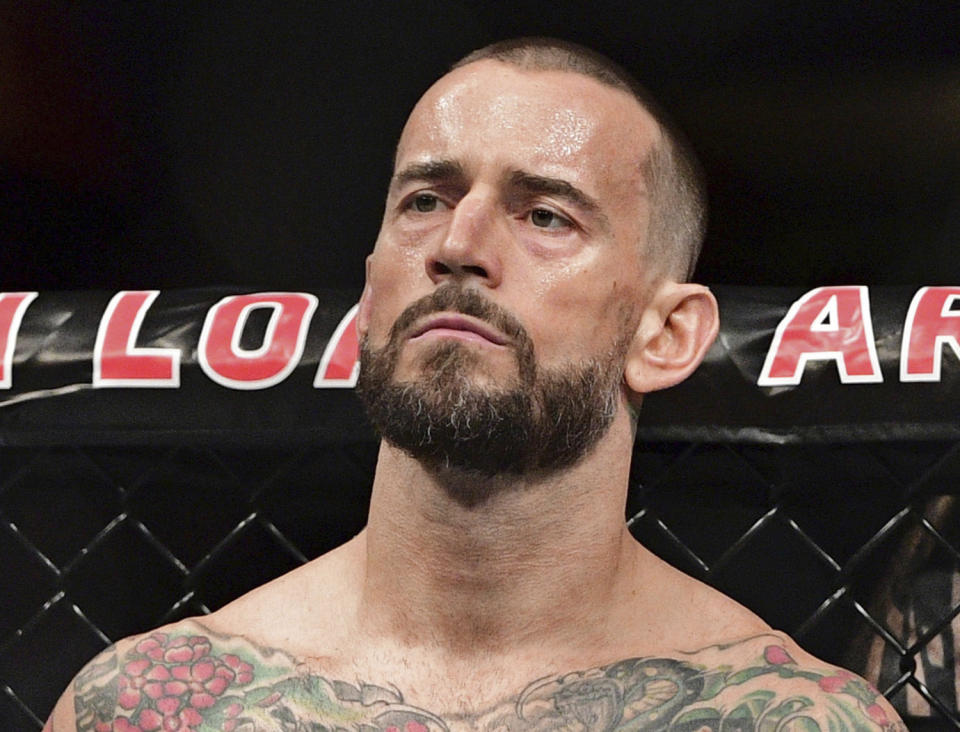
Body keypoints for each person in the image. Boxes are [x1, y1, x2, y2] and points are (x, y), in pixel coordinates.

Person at [47, 38, 904, 731]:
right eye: (424, 199)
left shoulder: (786, 718)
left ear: (667, 333)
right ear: (374, 283)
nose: (458, 244)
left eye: (544, 215)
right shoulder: (151, 706)